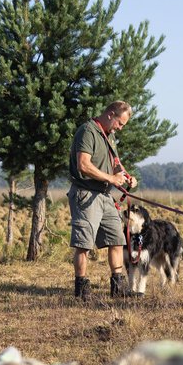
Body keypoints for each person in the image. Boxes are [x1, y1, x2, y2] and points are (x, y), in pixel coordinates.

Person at [67, 101, 139, 300]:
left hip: (105, 195)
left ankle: (118, 287)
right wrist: (111, 179)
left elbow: (116, 163)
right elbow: (83, 165)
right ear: (110, 115)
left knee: (117, 239)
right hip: (86, 194)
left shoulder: (110, 136)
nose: (120, 128)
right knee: (84, 244)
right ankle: (81, 290)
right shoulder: (87, 131)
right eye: (120, 123)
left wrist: (126, 177)